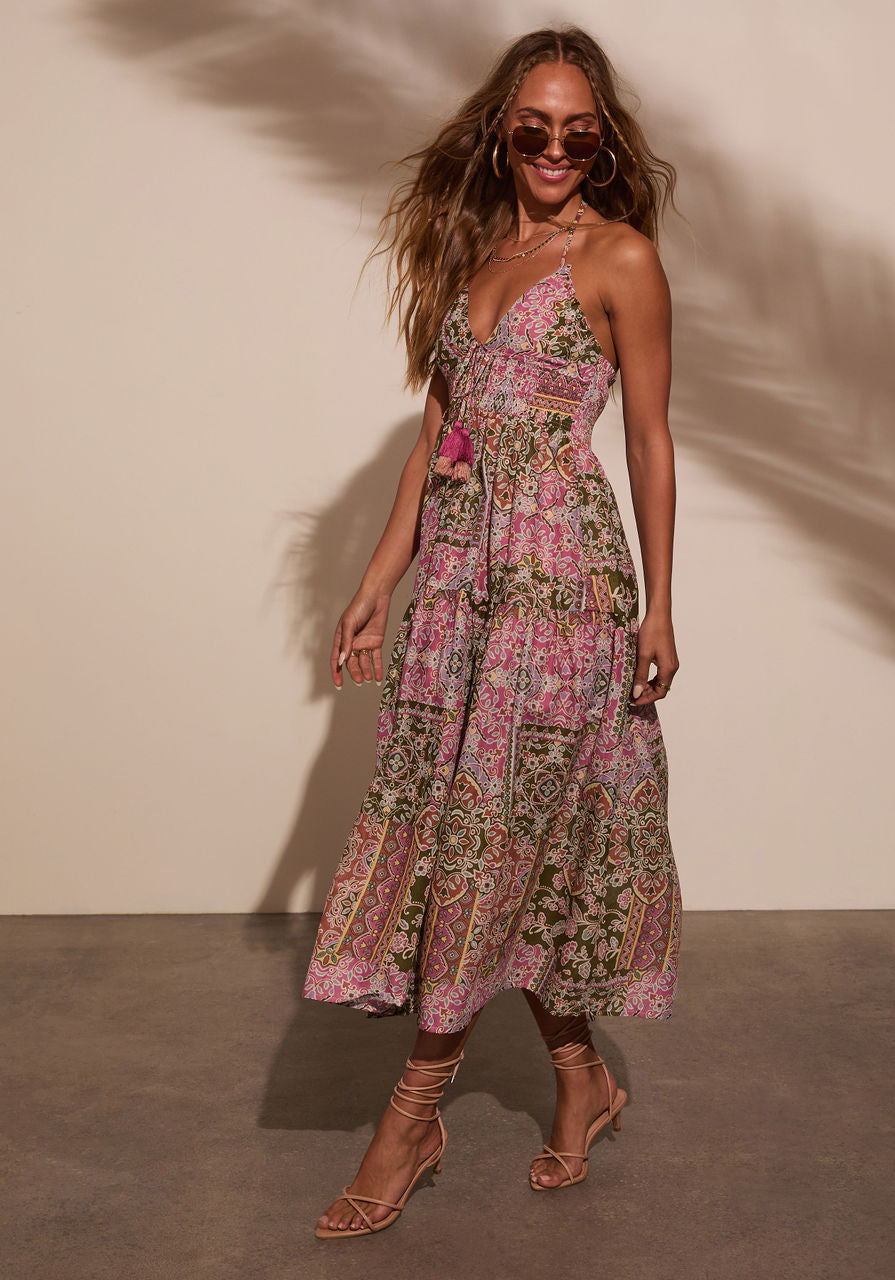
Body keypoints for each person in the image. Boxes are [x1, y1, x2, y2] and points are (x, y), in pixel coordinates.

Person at [303, 23, 685, 1238]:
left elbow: (648, 440)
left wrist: (660, 601)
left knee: (493, 839)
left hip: (558, 589)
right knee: (491, 843)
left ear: (603, 142)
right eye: (533, 129)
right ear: (501, 134)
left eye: (578, 132)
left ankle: (411, 1116)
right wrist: (378, 579)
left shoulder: (619, 258)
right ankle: (582, 1075)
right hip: (461, 592)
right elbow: (437, 439)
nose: (555, 149)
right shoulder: (476, 251)